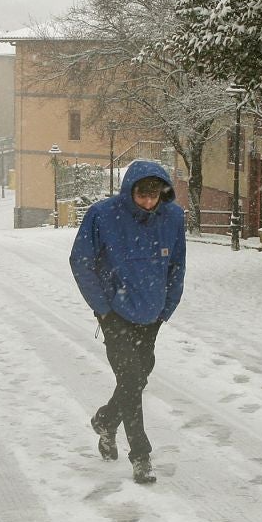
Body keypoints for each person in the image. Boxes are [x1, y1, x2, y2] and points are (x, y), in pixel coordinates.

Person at [69, 161, 187, 484]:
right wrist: (103, 309)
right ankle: (141, 456)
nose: (149, 203)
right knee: (132, 380)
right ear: (129, 190)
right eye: (142, 195)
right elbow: (80, 261)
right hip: (115, 314)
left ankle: (106, 421)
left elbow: (177, 266)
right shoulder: (102, 216)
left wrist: (167, 307)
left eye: (155, 196)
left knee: (136, 379)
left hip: (152, 314)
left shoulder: (173, 218)